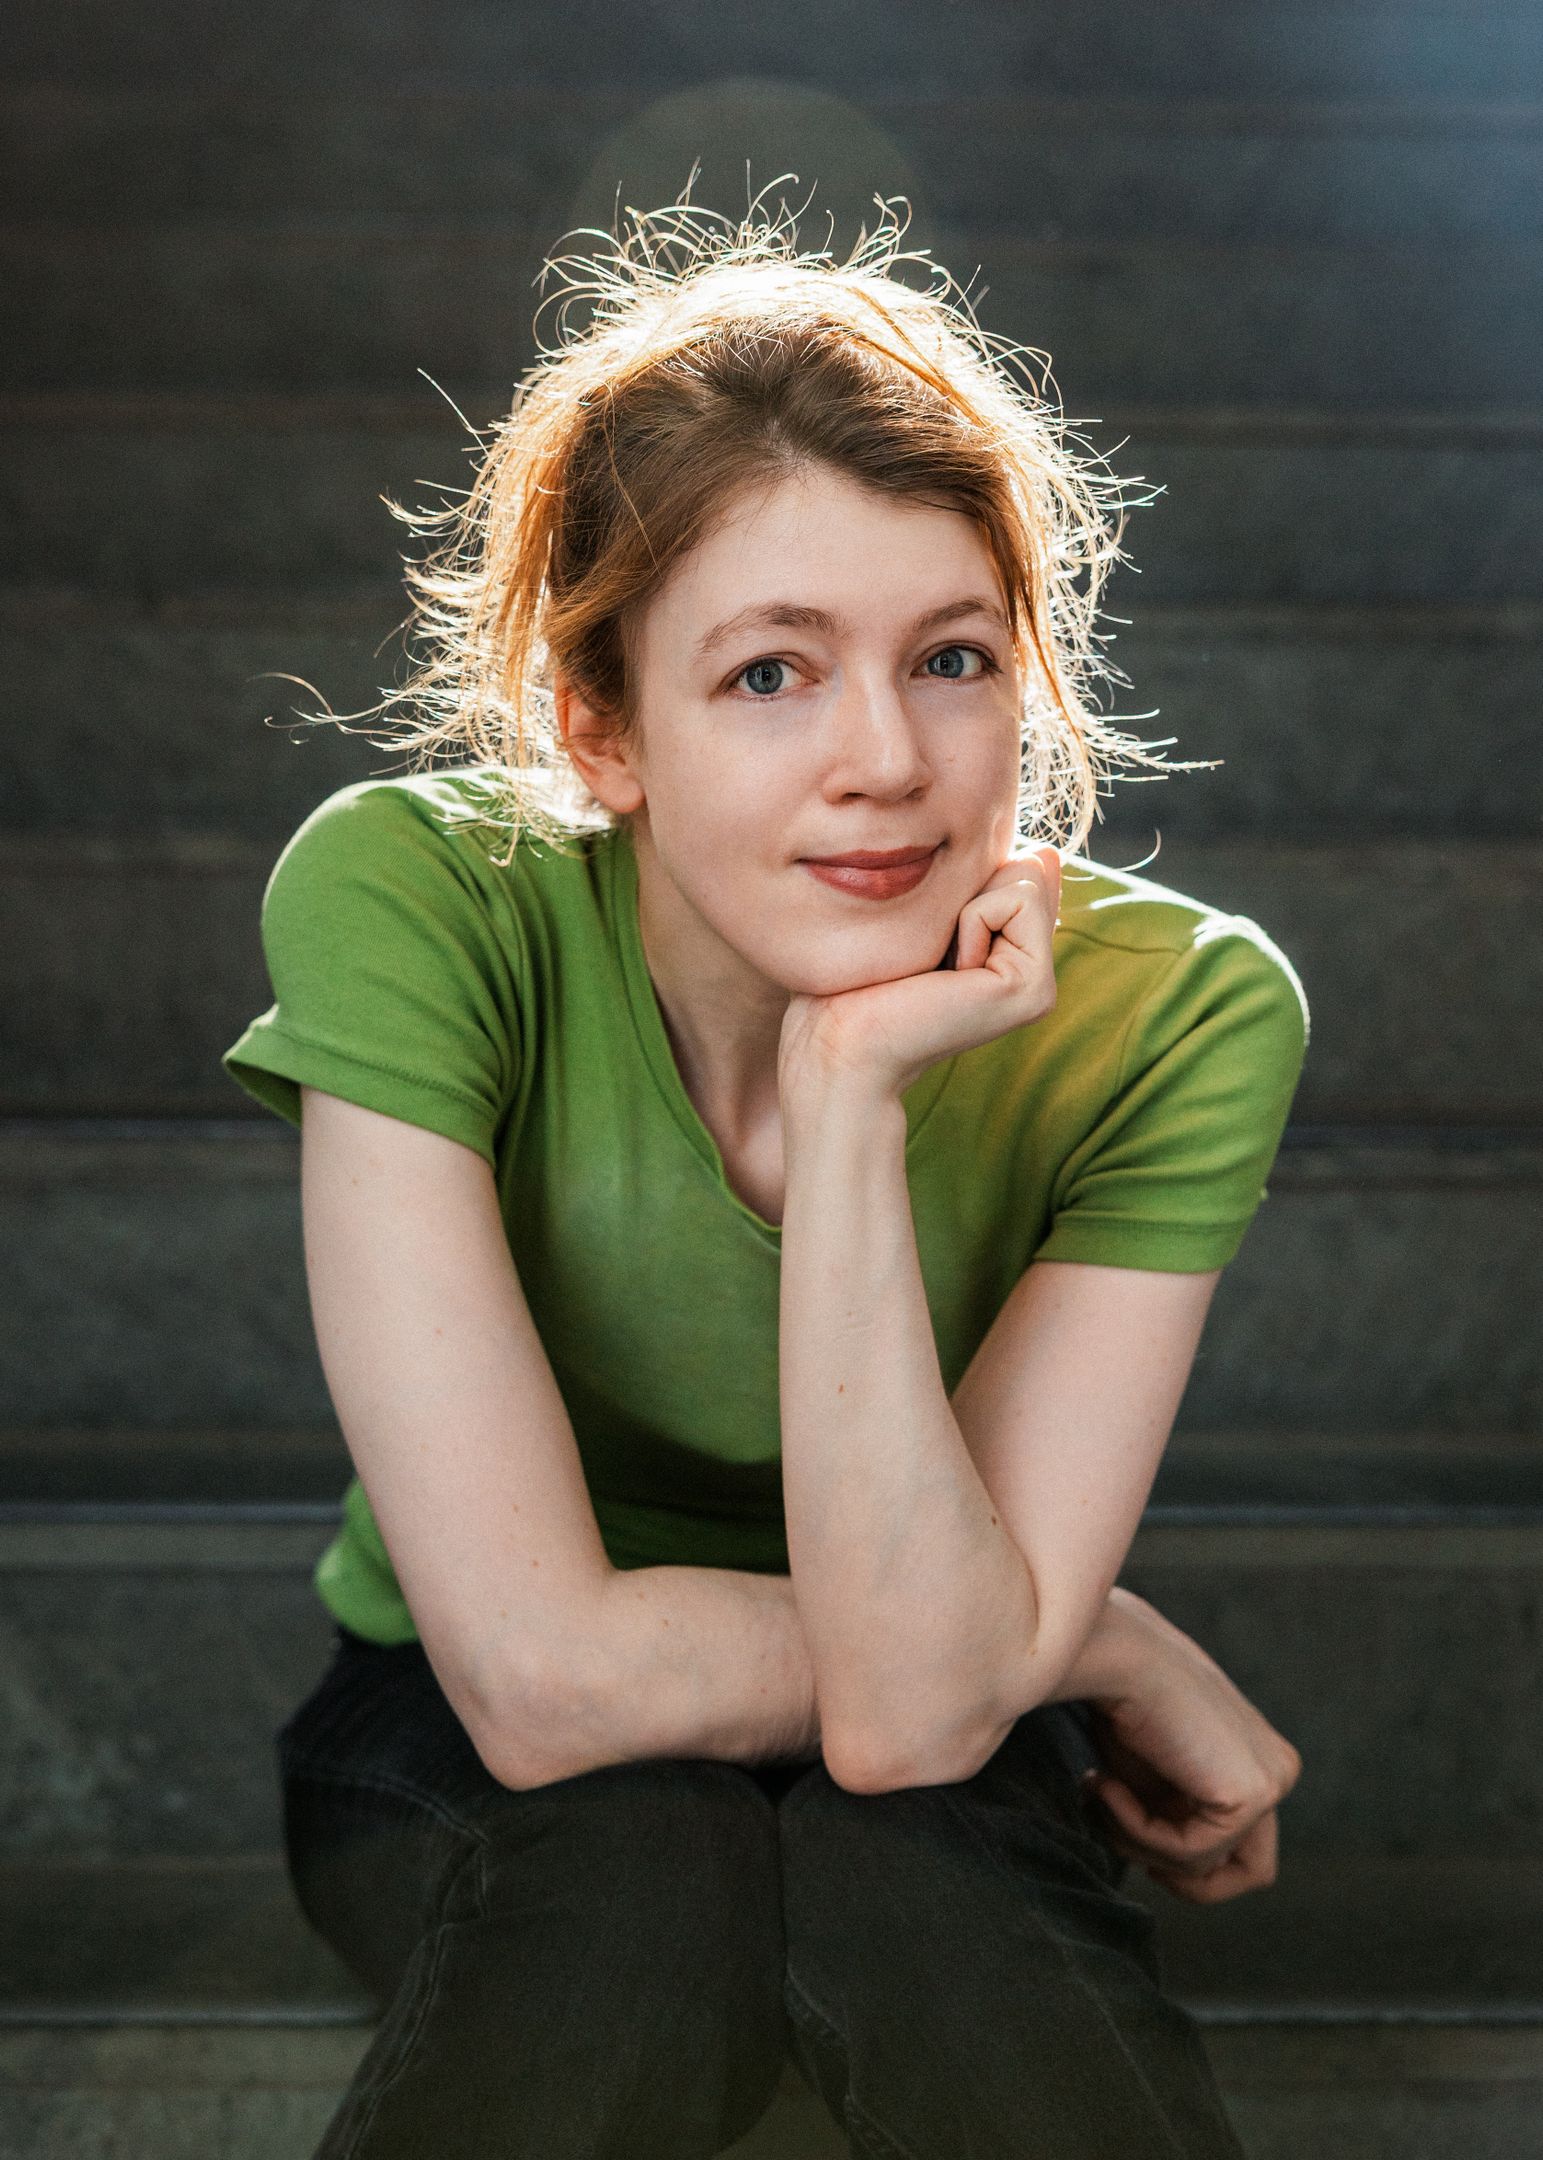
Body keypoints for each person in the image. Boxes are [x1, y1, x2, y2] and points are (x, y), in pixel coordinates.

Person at [222, 195, 1309, 2160]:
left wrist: (853, 1090)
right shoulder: (412, 898)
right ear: (598, 726)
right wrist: (1098, 1639)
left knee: (922, 1873)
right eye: (767, 675)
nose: (885, 759)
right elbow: (540, 1683)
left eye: (952, 658)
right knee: (640, 1867)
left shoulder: (1181, 1013)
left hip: (940, 1719)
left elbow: (913, 1728)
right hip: (442, 1721)